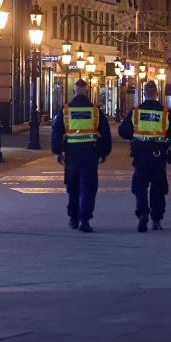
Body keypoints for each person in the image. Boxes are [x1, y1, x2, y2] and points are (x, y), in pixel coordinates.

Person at [118, 81, 171, 232]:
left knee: (140, 186)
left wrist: (135, 134)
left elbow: (122, 132)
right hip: (158, 156)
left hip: (140, 155)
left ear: (144, 94)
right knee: (158, 188)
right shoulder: (165, 113)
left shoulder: (136, 112)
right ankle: (157, 219)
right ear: (157, 94)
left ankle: (142, 212)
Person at [51, 79, 112, 232]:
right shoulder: (95, 111)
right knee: (88, 187)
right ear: (87, 91)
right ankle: (85, 220)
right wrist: (104, 152)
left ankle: (73, 218)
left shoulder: (65, 110)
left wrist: (57, 152)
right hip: (90, 154)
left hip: (72, 154)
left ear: (74, 92)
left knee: (72, 186)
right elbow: (106, 133)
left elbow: (57, 133)